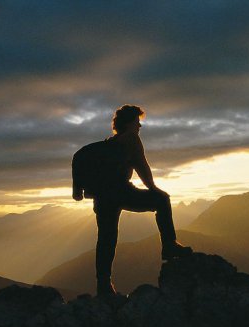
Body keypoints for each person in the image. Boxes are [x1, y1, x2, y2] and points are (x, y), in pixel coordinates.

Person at [73, 105, 192, 297]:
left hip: (103, 197)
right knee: (162, 200)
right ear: (129, 123)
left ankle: (103, 285)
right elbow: (141, 166)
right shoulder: (131, 139)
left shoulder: (111, 142)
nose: (139, 126)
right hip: (122, 191)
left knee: (106, 238)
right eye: (137, 122)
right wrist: (154, 189)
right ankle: (169, 246)